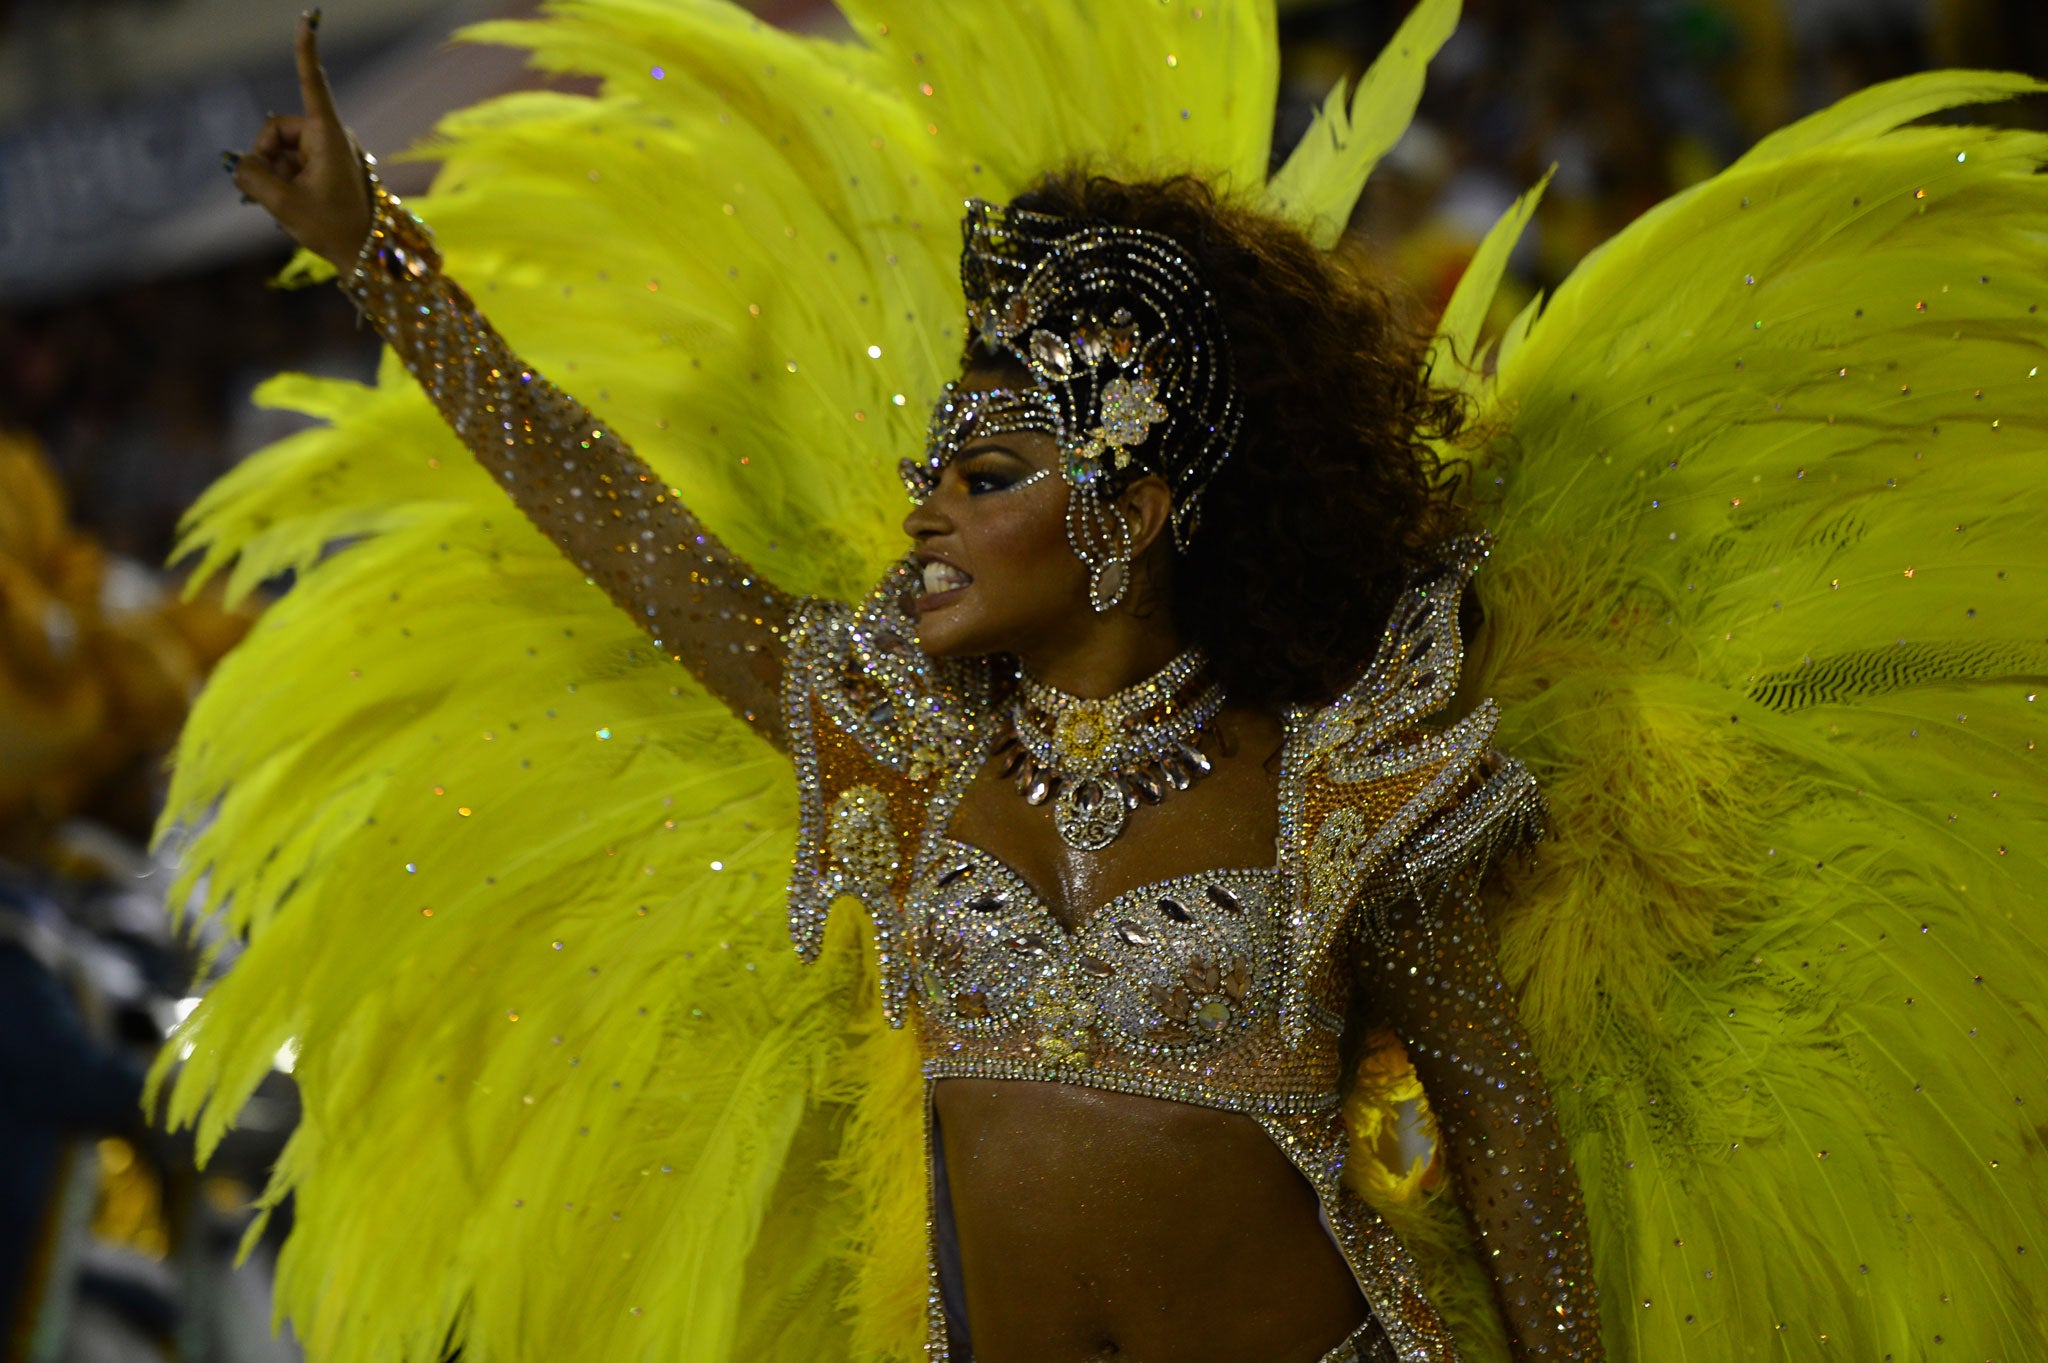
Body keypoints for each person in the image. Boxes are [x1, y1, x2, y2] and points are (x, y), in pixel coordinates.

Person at [169, 3, 2048, 1361]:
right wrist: (385, 263)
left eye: (984, 475)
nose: (922, 510)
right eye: (935, 464)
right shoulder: (895, 741)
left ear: (1135, 512)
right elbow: (626, 530)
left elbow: (1503, 1139)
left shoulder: (1340, 776)